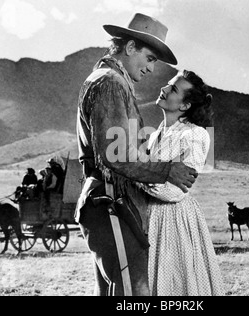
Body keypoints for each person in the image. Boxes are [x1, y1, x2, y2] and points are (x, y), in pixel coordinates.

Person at [75, 13, 198, 296]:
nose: (152, 69)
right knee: (134, 295)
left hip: (112, 206)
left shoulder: (111, 80)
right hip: (112, 205)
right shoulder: (110, 82)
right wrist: (168, 170)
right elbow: (116, 156)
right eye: (151, 58)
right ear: (130, 47)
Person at [142, 70, 224, 296]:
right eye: (168, 84)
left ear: (185, 106)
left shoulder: (196, 135)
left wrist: (133, 172)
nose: (164, 89)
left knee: (174, 289)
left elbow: (173, 192)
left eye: (173, 89)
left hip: (173, 221)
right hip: (148, 218)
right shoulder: (154, 134)